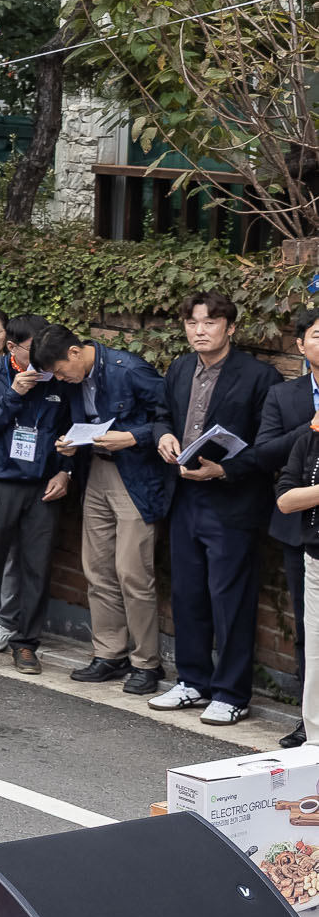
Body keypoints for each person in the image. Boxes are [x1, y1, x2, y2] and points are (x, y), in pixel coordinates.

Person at [150, 292, 277, 725]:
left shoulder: (260, 376)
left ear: (231, 328)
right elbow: (161, 413)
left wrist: (223, 471)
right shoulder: (181, 367)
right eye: (192, 323)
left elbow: (271, 446)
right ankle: (193, 680)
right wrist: (163, 436)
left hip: (232, 500)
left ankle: (231, 692)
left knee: (231, 598)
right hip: (184, 495)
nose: (199, 331)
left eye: (209, 323)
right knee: (187, 593)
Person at [32, 325, 171, 699]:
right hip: (96, 470)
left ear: (76, 353)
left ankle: (147, 662)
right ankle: (110, 653)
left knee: (132, 571)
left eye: (61, 371)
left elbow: (168, 416)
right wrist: (71, 450)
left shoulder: (130, 369)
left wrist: (132, 437)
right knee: (97, 567)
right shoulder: (77, 378)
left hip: (136, 474)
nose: (61, 379)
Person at [0, 312, 71, 673]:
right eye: (32, 349)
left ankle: (26, 643)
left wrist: (66, 471)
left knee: (36, 566)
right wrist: (13, 393)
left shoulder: (58, 379)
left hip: (42, 485)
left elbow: (74, 428)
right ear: (12, 347)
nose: (42, 358)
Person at [254, 306, 319, 746]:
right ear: (300, 344)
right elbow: (264, 454)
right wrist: (308, 431)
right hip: (302, 531)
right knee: (308, 631)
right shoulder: (285, 395)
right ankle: (308, 717)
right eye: (317, 334)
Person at [275, 400, 319, 745]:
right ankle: (315, 741)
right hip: (315, 562)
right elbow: (286, 500)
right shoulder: (308, 442)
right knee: (316, 653)